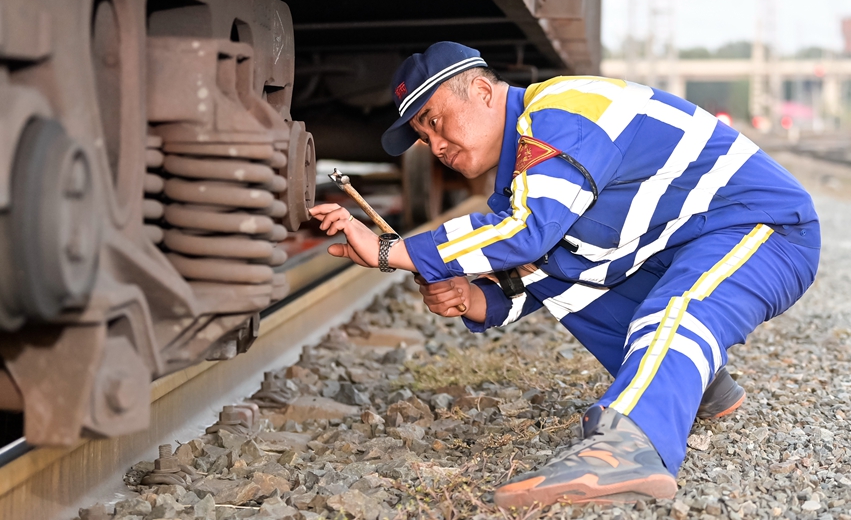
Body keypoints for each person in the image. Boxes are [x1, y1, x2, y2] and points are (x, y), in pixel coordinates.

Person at [309, 42, 819, 507]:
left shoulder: (562, 108)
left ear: (483, 91)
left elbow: (526, 232)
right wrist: (470, 297)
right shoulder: (518, 182)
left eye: (436, 121)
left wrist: (388, 251)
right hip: (689, 242)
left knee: (678, 306)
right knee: (571, 283)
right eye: (423, 136)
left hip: (766, 228)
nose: (435, 144)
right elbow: (540, 270)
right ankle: (701, 386)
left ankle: (627, 445)